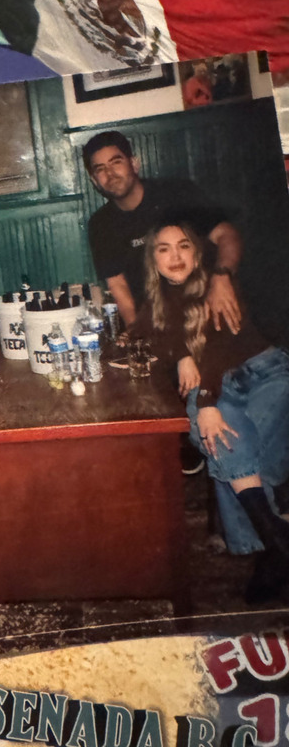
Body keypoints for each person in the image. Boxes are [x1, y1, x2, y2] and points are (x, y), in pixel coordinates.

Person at [136, 222, 289, 602]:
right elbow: (149, 334)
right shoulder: (158, 303)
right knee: (230, 445)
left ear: (197, 253)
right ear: (153, 260)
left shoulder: (218, 285)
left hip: (266, 373)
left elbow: (219, 346)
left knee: (224, 441)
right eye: (163, 249)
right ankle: (278, 543)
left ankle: (273, 551)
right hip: (219, 385)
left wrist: (205, 403)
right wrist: (181, 355)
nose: (175, 256)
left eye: (184, 246)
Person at [82, 130, 242, 332]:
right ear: (94, 180)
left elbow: (227, 235)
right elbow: (118, 286)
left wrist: (222, 277)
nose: (110, 173)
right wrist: (137, 334)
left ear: (134, 164)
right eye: (100, 169)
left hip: (208, 312)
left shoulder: (177, 193)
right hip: (157, 323)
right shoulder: (101, 224)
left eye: (116, 162)